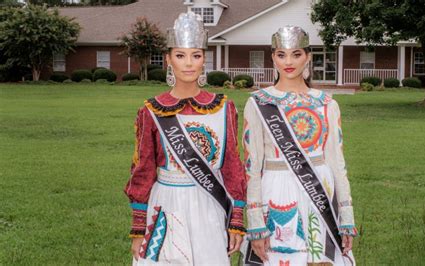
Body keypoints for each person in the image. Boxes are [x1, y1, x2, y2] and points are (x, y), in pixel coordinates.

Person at [124, 12, 246, 265]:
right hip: (167, 204)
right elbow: (143, 169)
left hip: (209, 203)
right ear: (169, 60)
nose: (189, 63)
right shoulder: (152, 110)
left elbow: (232, 165)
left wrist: (236, 219)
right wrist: (138, 227)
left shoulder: (224, 108)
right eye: (180, 55)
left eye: (196, 55)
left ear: (204, 59)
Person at [243, 26, 357, 266]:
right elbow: (252, 167)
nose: (289, 61)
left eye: (296, 54)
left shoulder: (326, 103)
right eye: (281, 54)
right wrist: (255, 221)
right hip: (276, 191)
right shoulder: (258, 103)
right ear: (272, 57)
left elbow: (338, 163)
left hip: (320, 190)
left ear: (307, 56)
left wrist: (346, 215)